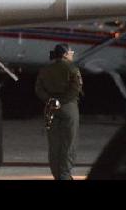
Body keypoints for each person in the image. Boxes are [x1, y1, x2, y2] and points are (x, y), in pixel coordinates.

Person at [35, 43, 84, 180]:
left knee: (54, 144)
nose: (72, 54)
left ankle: (57, 174)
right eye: (70, 52)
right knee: (69, 142)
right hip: (68, 107)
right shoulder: (72, 68)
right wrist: (61, 101)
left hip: (50, 108)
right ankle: (65, 175)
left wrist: (51, 100)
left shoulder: (45, 69)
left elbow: (38, 89)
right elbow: (76, 89)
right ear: (64, 54)